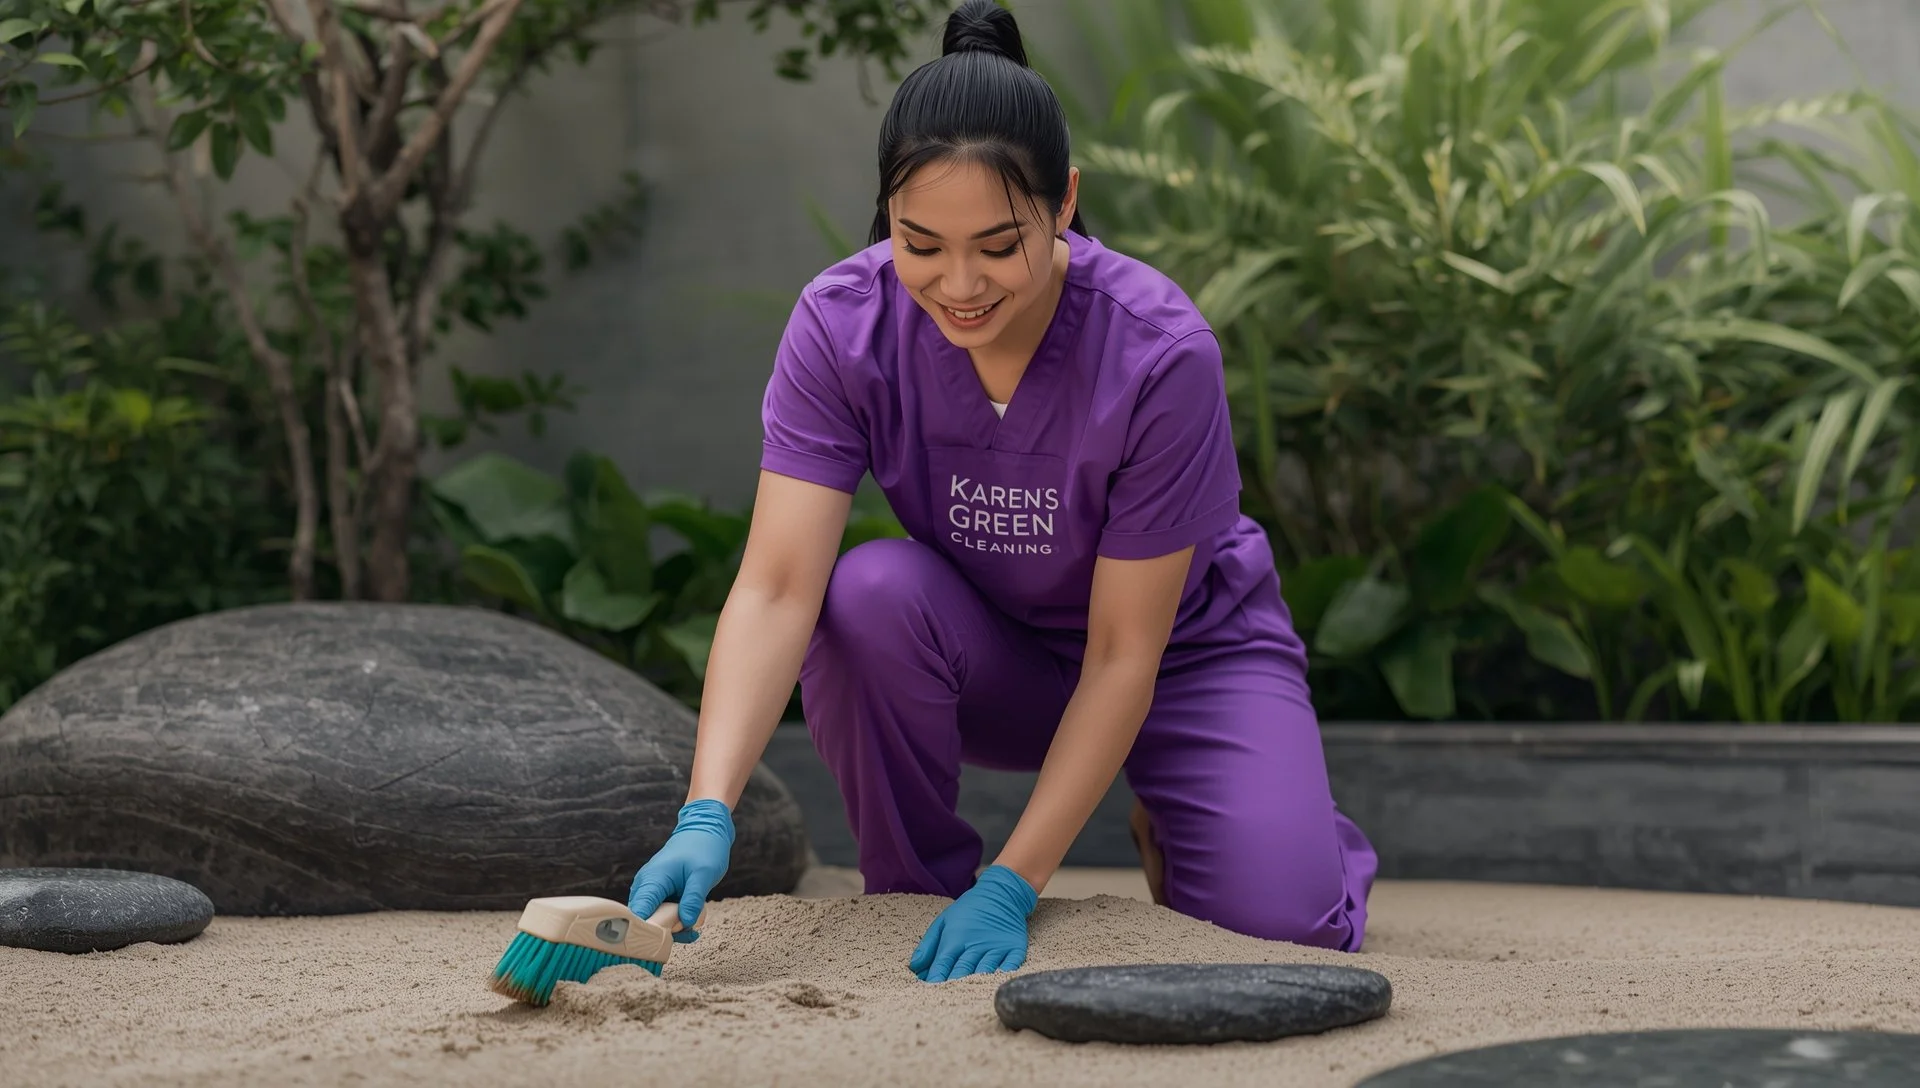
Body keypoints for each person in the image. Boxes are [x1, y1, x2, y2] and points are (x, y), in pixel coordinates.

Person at [625, 0, 1376, 985]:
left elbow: (1122, 651)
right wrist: (707, 806)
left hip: (1183, 655)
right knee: (865, 594)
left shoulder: (1157, 351)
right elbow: (774, 588)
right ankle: (914, 887)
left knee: (1290, 925)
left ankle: (1239, 815)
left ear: (1064, 203)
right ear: (887, 210)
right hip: (1001, 656)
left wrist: (1017, 883)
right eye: (921, 242)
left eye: (999, 242)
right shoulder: (843, 325)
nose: (960, 282)